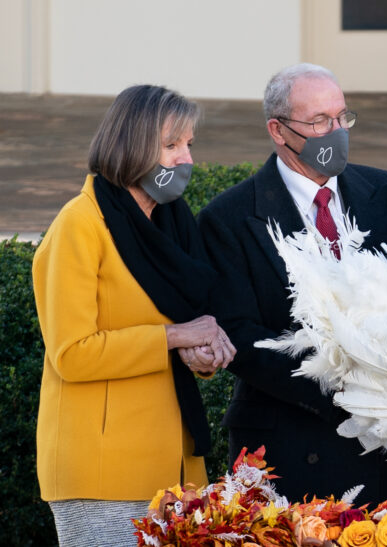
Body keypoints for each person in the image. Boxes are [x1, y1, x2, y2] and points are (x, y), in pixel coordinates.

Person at [198, 63, 387, 503]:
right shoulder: (229, 217)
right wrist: (344, 381)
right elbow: (238, 335)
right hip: (290, 439)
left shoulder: (382, 190)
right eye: (320, 122)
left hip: (385, 442)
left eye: (342, 118)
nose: (336, 132)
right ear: (278, 131)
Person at [32, 84, 236, 546]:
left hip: (178, 466)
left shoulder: (171, 223)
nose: (186, 159)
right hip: (102, 469)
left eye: (189, 144)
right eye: (171, 145)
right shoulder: (79, 224)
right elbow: (72, 354)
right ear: (131, 146)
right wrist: (176, 335)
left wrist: (199, 355)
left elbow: (178, 334)